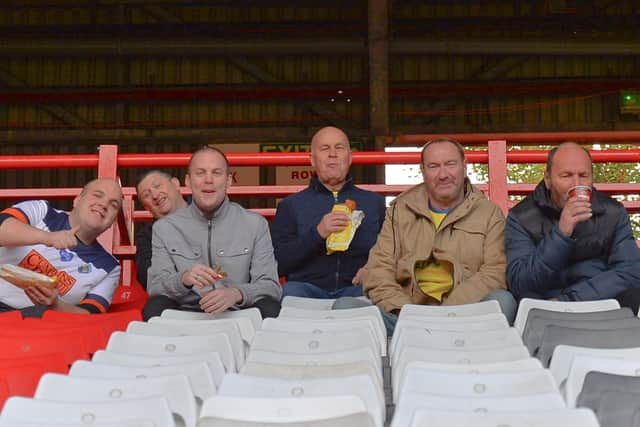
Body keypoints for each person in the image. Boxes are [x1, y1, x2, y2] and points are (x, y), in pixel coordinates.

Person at [335, 138, 512, 333]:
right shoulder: (400, 210)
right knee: (345, 308)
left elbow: (495, 272)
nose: (443, 174)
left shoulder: (489, 214)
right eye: (433, 166)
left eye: (450, 164)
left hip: (463, 315)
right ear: (423, 171)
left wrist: (447, 312)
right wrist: (405, 311)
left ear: (464, 166)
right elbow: (379, 268)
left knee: (503, 301)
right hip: (405, 317)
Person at [145, 146, 282, 320]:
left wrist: (237, 293)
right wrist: (184, 278)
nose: (208, 180)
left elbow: (271, 286)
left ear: (229, 181)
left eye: (216, 173)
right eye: (200, 173)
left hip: (237, 309)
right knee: (154, 307)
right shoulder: (165, 227)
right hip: (186, 310)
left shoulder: (255, 224)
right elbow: (156, 287)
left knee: (271, 307)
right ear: (188, 181)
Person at [506, 142, 640, 307]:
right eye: (566, 176)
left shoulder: (612, 212)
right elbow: (520, 283)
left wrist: (569, 301)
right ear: (548, 179)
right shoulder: (521, 217)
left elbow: (631, 271)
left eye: (584, 176)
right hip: (545, 307)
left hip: (599, 300)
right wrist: (561, 234)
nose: (576, 184)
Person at [271, 126, 385, 299]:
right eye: (324, 148)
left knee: (380, 293)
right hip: (307, 291)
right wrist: (318, 233)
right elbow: (278, 264)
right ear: (312, 160)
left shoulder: (374, 203)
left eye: (339, 148)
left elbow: (390, 255)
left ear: (350, 158)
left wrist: (372, 270)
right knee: (289, 292)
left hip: (357, 289)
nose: (333, 154)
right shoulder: (290, 205)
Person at [0, 178, 123, 317]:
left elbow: (91, 314)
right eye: (97, 195)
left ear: (113, 221)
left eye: (113, 205)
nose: (104, 204)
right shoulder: (42, 211)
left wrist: (56, 305)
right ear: (77, 200)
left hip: (40, 323)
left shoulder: (109, 267)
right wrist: (48, 237)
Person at [135, 170, 187, 289]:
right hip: (173, 293)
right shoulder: (147, 235)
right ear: (146, 207)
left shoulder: (204, 213)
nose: (155, 195)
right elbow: (147, 278)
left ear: (175, 184)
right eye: (146, 195)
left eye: (157, 186)